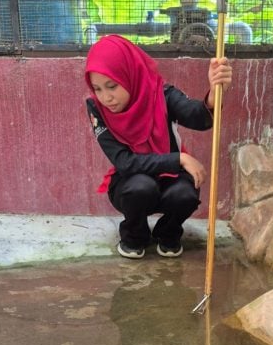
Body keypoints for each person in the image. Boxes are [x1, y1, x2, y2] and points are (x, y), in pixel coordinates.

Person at [85, 35, 233, 259]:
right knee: (140, 187)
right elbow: (124, 162)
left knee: (185, 194)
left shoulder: (161, 94)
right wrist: (179, 159)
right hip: (130, 180)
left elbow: (198, 118)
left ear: (129, 74)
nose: (106, 97)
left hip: (172, 178)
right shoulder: (96, 108)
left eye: (112, 86)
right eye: (97, 88)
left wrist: (214, 94)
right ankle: (135, 236)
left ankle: (169, 232)